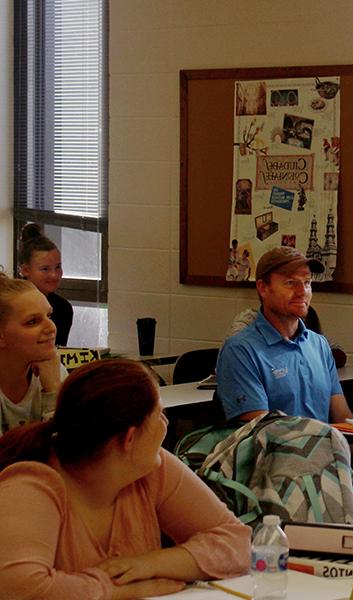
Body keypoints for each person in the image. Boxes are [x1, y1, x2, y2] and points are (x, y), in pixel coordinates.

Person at [0, 359, 251, 599]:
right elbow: (20, 590)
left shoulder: (152, 467)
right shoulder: (30, 486)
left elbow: (236, 542)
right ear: (130, 438)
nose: (165, 425)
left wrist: (148, 564)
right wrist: (122, 589)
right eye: (159, 415)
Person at [216, 246, 353, 524]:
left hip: (328, 464)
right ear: (262, 287)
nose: (302, 291)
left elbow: (342, 417)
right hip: (278, 476)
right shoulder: (241, 349)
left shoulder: (318, 345)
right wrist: (342, 481)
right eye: (290, 283)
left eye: (307, 282)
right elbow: (267, 434)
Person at [0, 272, 67, 435]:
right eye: (32, 322)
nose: (51, 328)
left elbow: (70, 453)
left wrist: (53, 390)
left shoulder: (52, 369)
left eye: (49, 315)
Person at [18, 223, 74, 346]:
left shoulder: (63, 308)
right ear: (25, 270)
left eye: (58, 267)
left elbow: (56, 354)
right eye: (45, 269)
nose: (54, 275)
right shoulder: (12, 305)